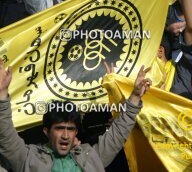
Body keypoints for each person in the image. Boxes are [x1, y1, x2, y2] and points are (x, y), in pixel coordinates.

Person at [0, 59, 151, 171]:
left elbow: (117, 133)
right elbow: (5, 133)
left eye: (70, 129)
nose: (65, 135)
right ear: (46, 131)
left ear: (76, 132)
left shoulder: (91, 157)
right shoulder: (28, 158)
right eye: (59, 128)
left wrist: (135, 97)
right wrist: (1, 93)